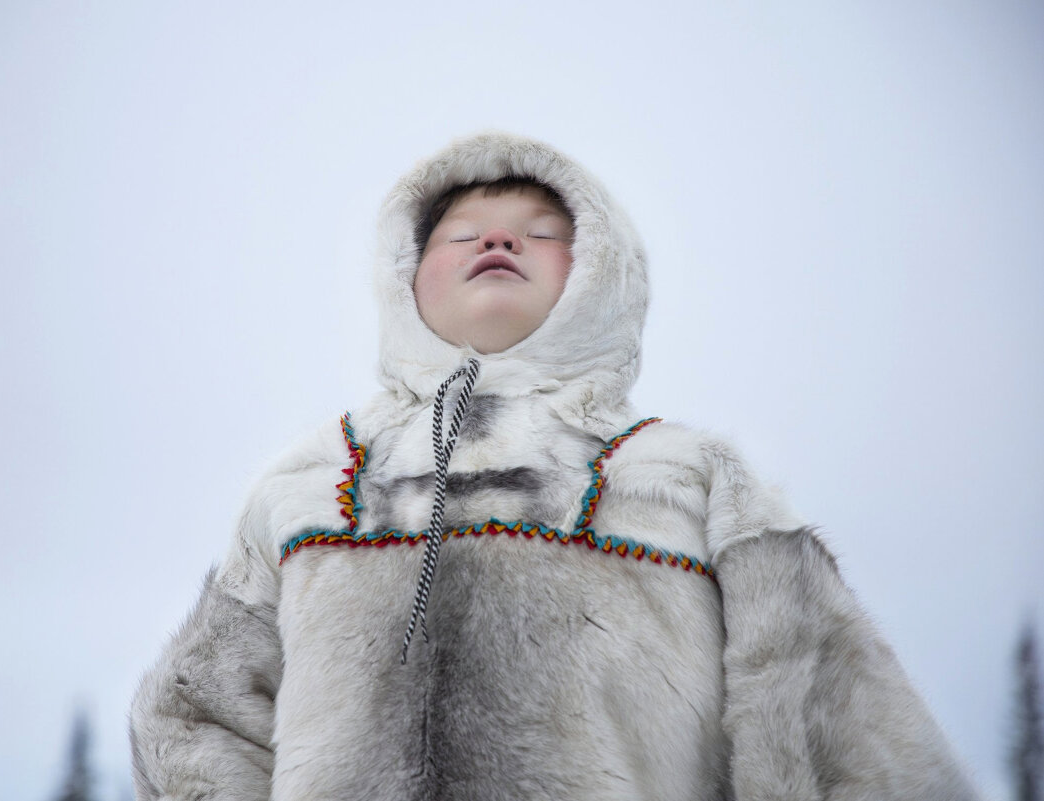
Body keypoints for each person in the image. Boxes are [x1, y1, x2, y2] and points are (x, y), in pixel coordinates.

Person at [130, 132, 976, 800]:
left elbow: (826, 715)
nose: (499, 238)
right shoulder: (309, 480)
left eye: (542, 233)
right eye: (462, 233)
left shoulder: (690, 477)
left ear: (602, 276)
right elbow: (195, 717)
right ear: (404, 277)